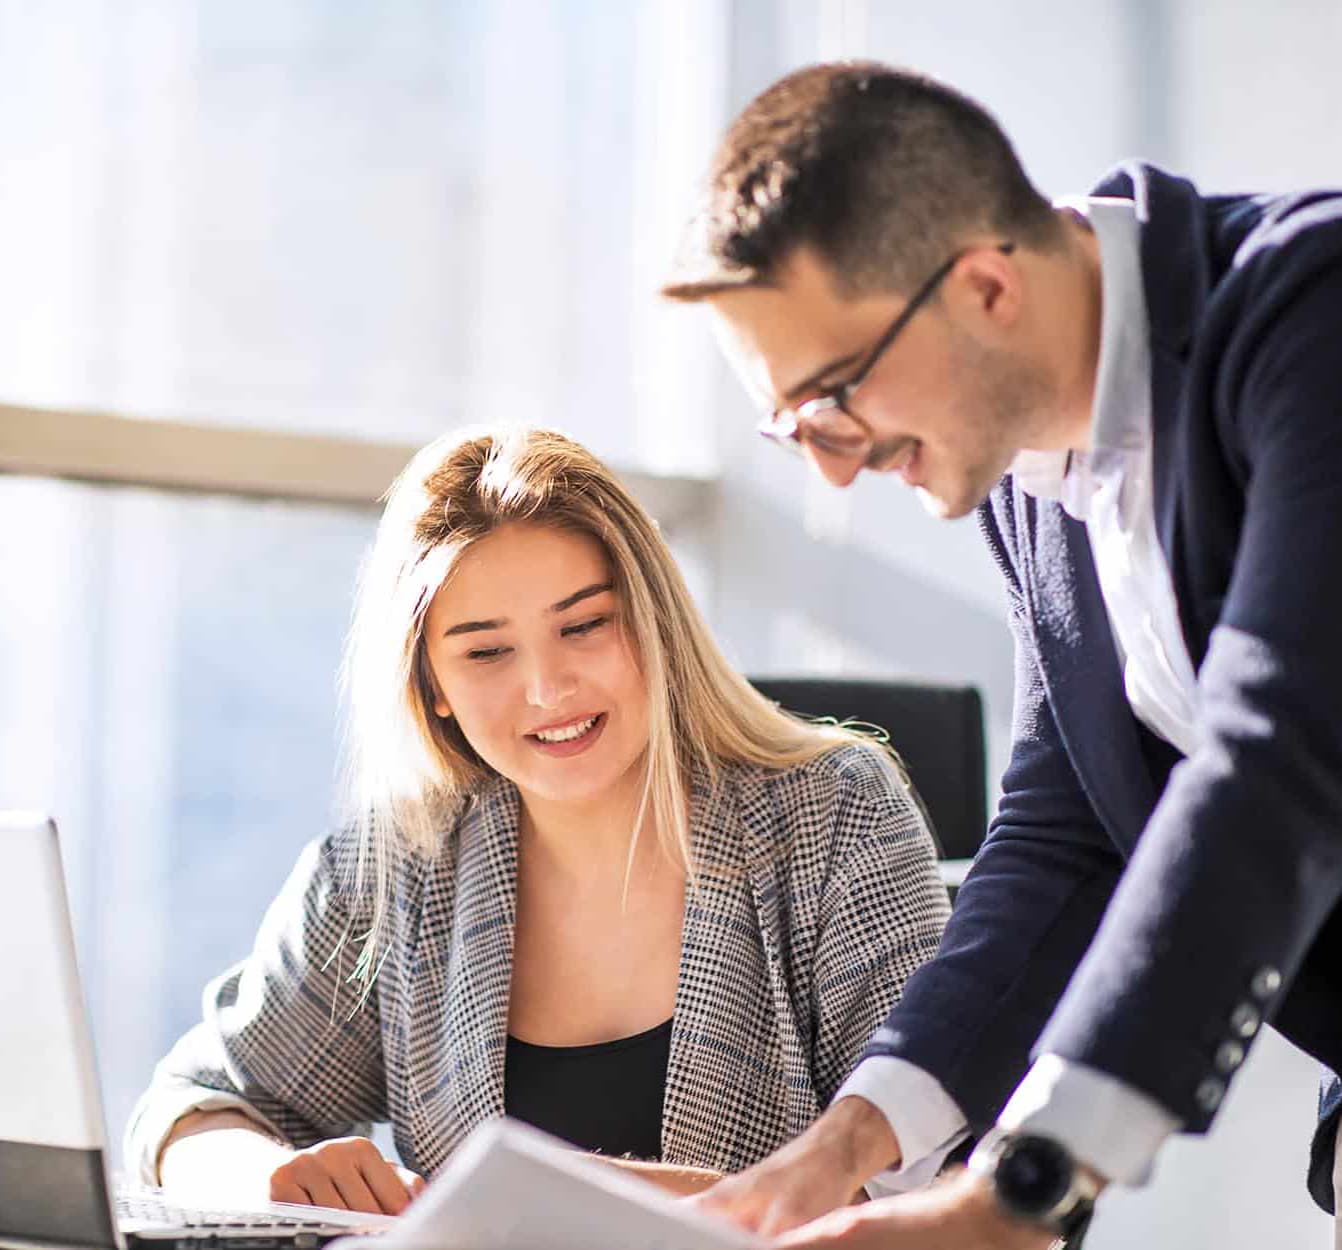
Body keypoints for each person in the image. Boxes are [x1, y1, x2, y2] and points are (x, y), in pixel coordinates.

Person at [661, 60, 1342, 1248]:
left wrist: (1020, 1186)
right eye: (792, 427)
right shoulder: (1024, 479)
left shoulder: (1311, 308)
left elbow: (1278, 751)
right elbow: (1064, 828)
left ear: (983, 285)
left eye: (835, 397)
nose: (830, 463)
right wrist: (846, 1143)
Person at [124, 425, 950, 1216]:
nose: (548, 690)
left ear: (653, 620)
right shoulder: (400, 863)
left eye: (585, 625)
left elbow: (932, 1174)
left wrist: (548, 1203)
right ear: (432, 684)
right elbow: (193, 1106)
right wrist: (267, 1179)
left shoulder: (831, 813)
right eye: (486, 652)